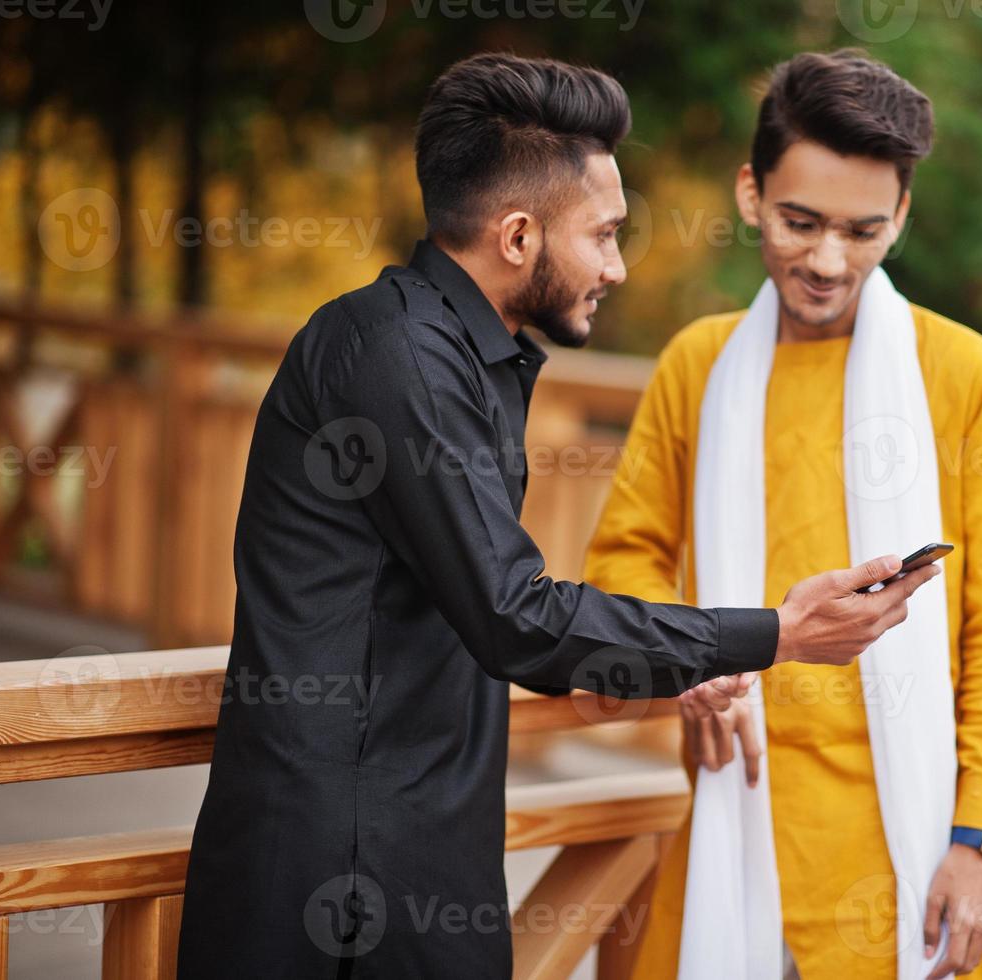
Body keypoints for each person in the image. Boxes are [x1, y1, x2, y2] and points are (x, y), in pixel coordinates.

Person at [176, 52, 940, 979]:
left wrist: (687, 657)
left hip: (417, 837)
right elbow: (515, 615)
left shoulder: (463, 355)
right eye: (605, 235)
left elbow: (488, 611)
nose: (617, 267)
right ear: (517, 237)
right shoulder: (395, 357)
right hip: (333, 866)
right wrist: (776, 632)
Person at [583, 50, 982, 979]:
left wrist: (978, 838)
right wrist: (691, 664)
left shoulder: (966, 377)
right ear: (751, 193)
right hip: (731, 817)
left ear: (902, 216)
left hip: (909, 856)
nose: (827, 261)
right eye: (799, 222)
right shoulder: (697, 366)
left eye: (862, 230)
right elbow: (622, 564)